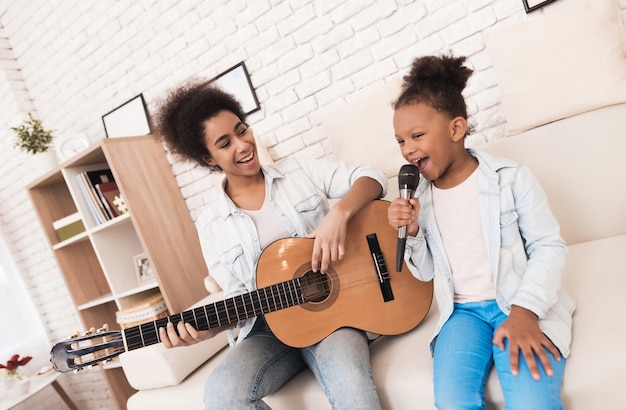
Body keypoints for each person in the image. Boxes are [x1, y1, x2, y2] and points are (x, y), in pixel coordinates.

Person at [153, 79, 387, 410]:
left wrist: (339, 215)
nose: (243, 145)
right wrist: (205, 331)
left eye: (241, 129)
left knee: (353, 390)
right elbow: (236, 299)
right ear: (208, 158)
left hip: (334, 318)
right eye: (225, 143)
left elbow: (372, 176)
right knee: (221, 395)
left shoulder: (299, 170)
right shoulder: (210, 225)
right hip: (267, 332)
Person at [386, 54, 576, 409]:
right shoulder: (420, 198)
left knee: (532, 401)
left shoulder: (511, 178)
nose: (408, 149)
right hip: (463, 314)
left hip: (516, 301)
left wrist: (525, 312)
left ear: (456, 129)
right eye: (400, 141)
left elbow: (549, 247)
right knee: (452, 402)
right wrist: (412, 231)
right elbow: (426, 272)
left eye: (416, 136)